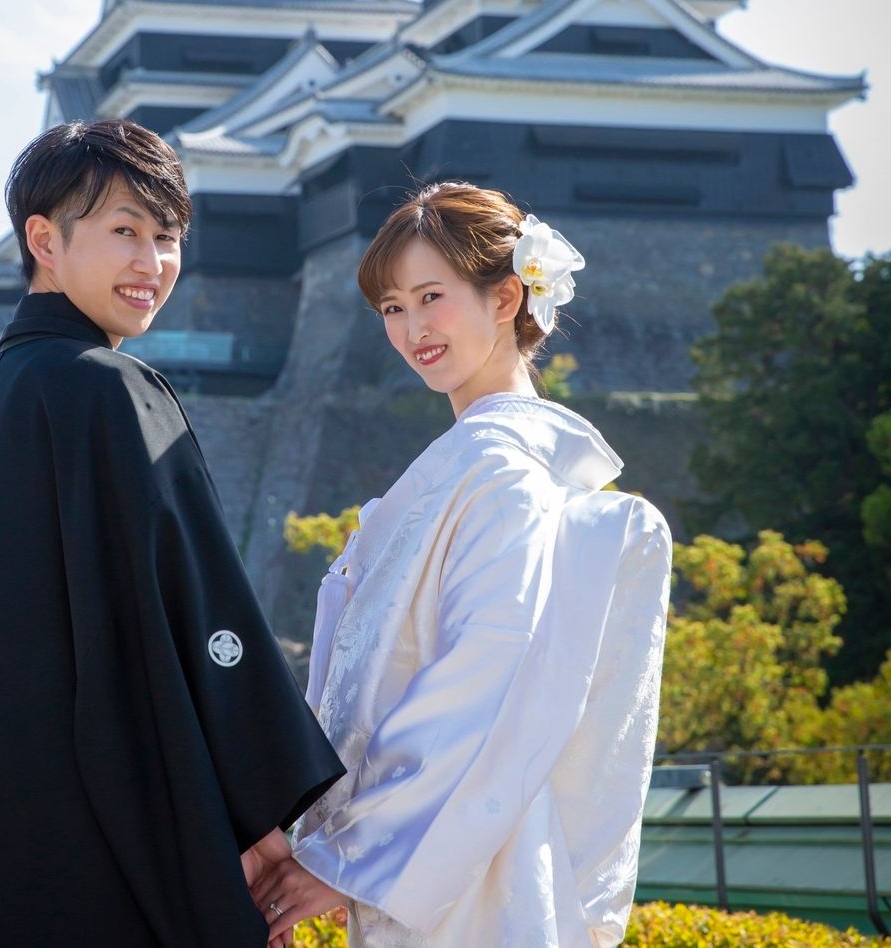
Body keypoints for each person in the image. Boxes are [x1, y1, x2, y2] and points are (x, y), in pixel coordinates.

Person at [0, 119, 342, 948]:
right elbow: (191, 607)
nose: (152, 263)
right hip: (89, 858)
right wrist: (254, 810)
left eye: (167, 237)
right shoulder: (106, 388)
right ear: (44, 241)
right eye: (125, 232)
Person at [252, 183, 672, 947]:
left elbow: (487, 677)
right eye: (392, 307)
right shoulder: (480, 463)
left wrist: (348, 855)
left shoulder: (500, 471)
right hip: (458, 851)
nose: (412, 328)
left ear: (506, 296)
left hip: (473, 871)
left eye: (431, 297)